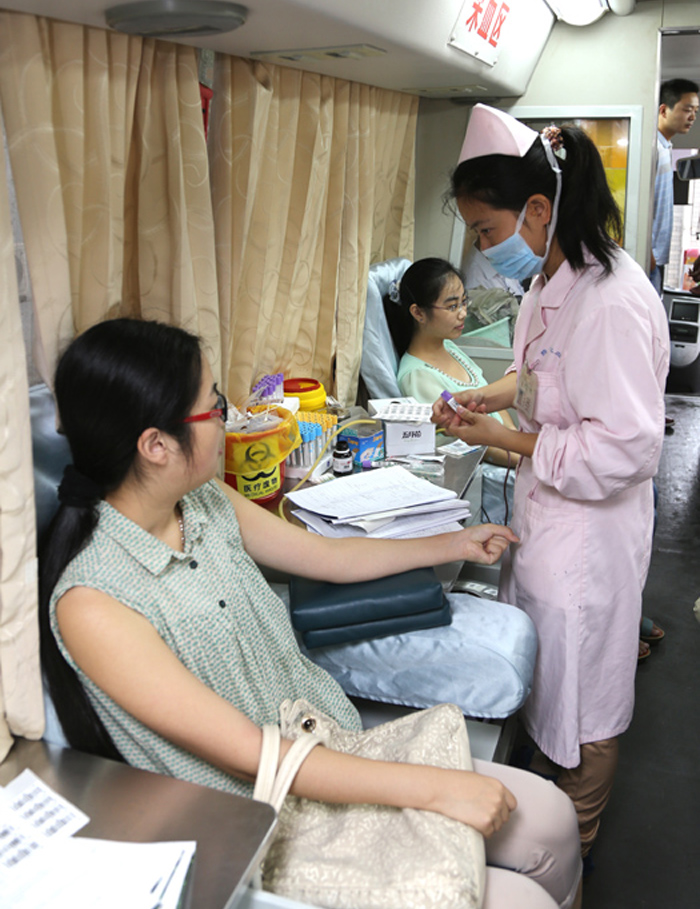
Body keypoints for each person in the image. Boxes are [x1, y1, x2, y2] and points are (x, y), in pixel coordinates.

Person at [39, 318, 582, 909]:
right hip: (261, 816)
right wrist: (435, 788)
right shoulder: (94, 602)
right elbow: (251, 753)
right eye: (214, 407)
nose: (228, 419)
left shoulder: (199, 500)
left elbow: (327, 556)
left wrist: (453, 543)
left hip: (326, 743)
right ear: (156, 445)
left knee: (552, 819)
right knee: (522, 898)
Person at [432, 104, 670, 860]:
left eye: (485, 230)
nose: (481, 248)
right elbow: (536, 374)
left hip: (592, 536)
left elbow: (625, 447)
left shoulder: (612, 301)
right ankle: (545, 796)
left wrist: (505, 439)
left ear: (538, 209)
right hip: (548, 525)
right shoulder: (548, 281)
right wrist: (483, 398)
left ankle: (578, 843)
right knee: (549, 676)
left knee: (588, 698)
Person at [384, 257, 518, 469]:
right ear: (418, 313)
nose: (463, 313)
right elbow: (468, 441)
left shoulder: (449, 347)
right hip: (493, 463)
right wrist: (524, 460)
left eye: (464, 302)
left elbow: (490, 398)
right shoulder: (417, 376)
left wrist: (515, 437)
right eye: (452, 306)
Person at [650, 78, 699, 295]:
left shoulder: (664, 148)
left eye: (696, 111)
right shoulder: (652, 149)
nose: (693, 117)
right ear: (663, 110)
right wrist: (647, 255)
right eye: (687, 109)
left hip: (655, 259)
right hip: (648, 259)